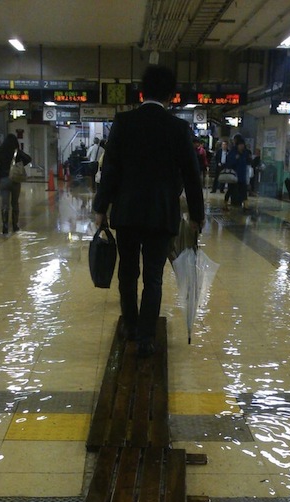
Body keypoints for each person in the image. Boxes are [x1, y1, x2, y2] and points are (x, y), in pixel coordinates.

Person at [93, 64, 205, 357]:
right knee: (153, 276)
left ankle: (130, 326)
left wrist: (100, 207)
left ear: (142, 92)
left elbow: (110, 170)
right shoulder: (179, 128)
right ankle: (146, 338)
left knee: (128, 273)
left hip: (127, 213)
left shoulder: (123, 122)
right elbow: (193, 176)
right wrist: (196, 217)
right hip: (161, 215)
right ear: (171, 95)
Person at [0, 134, 31, 234]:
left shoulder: (0, 150)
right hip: (15, 180)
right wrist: (19, 165)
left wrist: (1, 168)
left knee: (5, 204)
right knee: (15, 203)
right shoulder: (16, 152)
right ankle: (15, 225)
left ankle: (5, 226)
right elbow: (28, 158)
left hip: (4, 179)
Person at [223, 136, 251, 210]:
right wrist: (235, 159)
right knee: (230, 190)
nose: (242, 146)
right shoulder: (233, 153)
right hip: (234, 176)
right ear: (237, 145)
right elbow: (229, 163)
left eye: (243, 145)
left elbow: (247, 162)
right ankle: (225, 203)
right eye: (240, 145)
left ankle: (245, 205)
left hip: (242, 176)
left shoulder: (245, 153)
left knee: (244, 191)